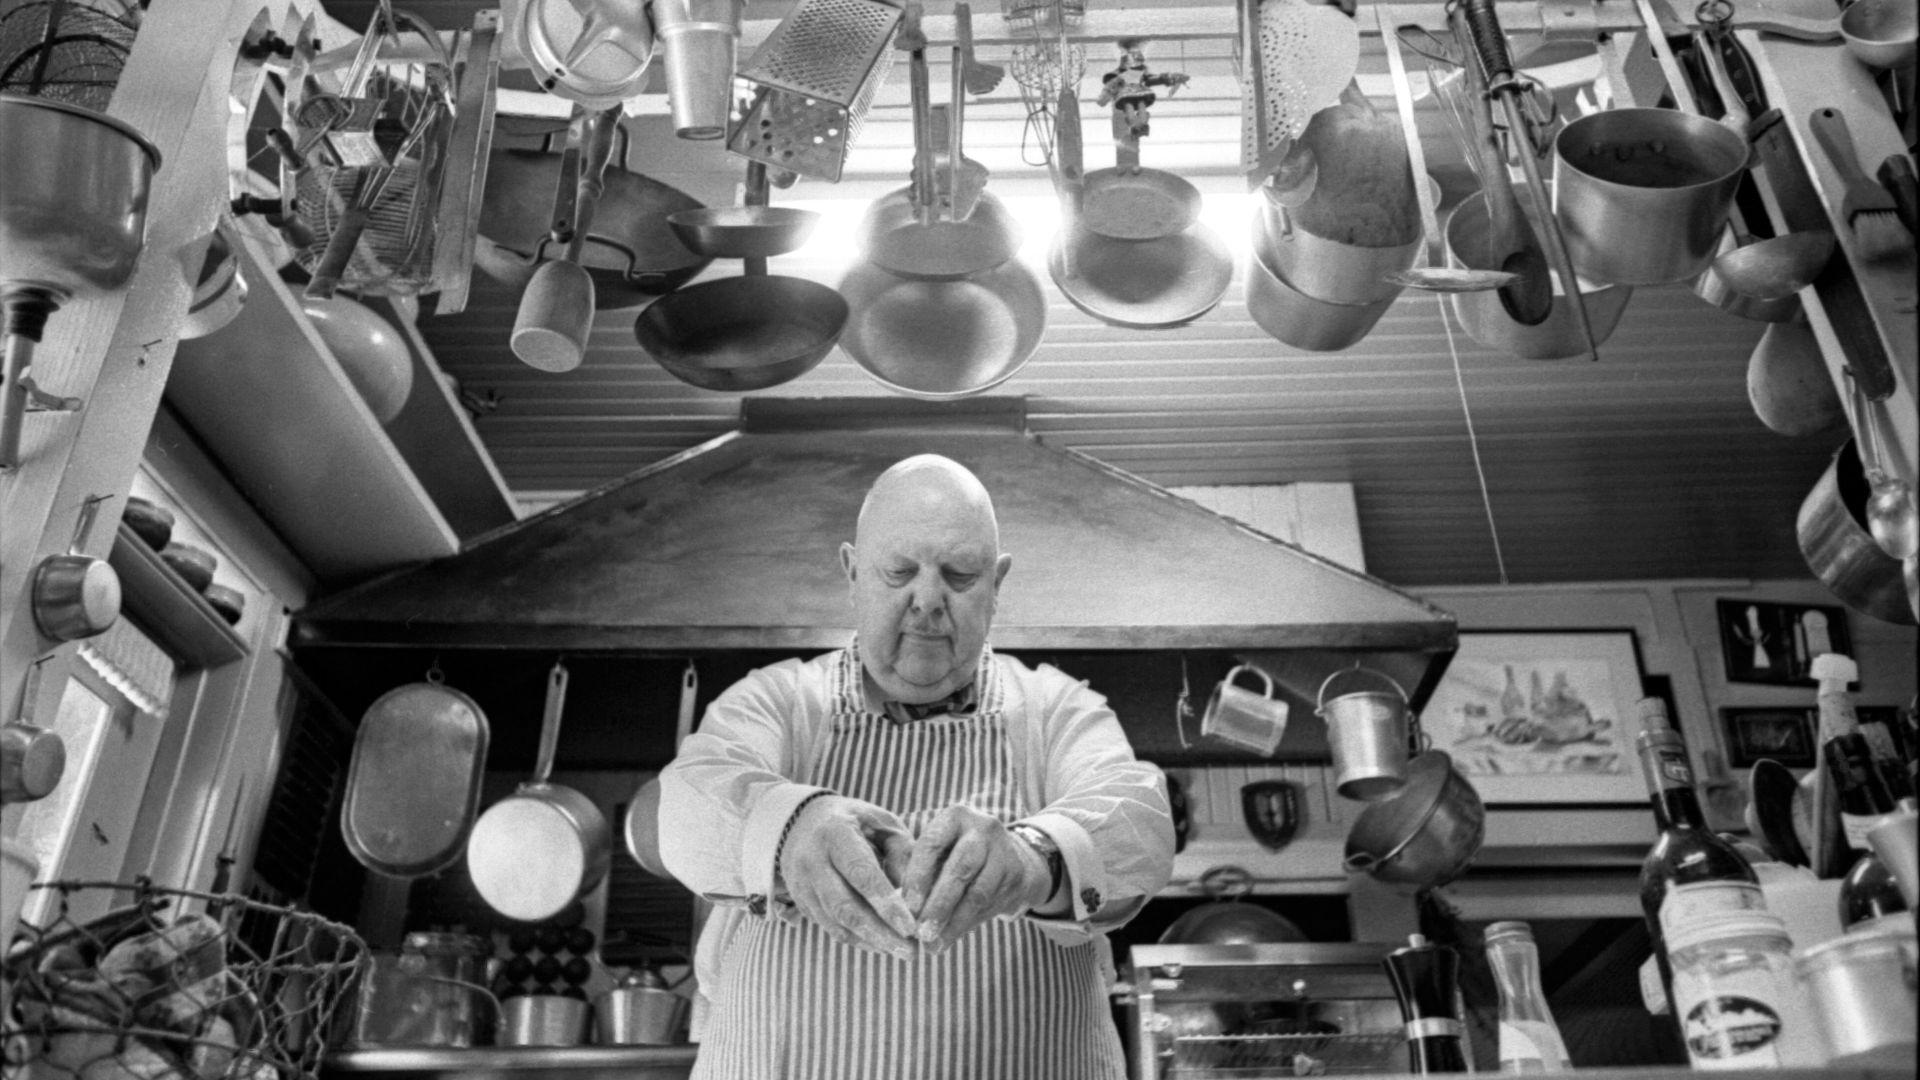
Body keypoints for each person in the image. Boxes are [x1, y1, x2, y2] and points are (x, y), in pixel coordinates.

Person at [659, 453, 1174, 1080]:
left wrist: (1029, 861)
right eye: (899, 570)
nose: (927, 600)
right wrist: (789, 829)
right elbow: (689, 804)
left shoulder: (1056, 710)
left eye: (959, 575)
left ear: (997, 584)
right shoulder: (777, 702)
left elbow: (1138, 817)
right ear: (851, 573)